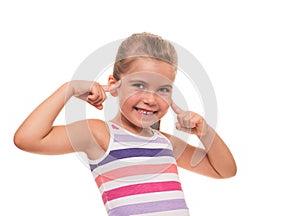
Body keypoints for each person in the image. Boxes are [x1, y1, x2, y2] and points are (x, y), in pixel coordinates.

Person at [14, 32, 237, 216]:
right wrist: (69, 89)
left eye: (163, 89)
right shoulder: (101, 134)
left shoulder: (165, 142)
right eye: (139, 85)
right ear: (114, 85)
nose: (151, 99)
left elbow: (224, 170)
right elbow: (27, 139)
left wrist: (203, 130)